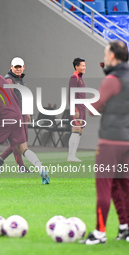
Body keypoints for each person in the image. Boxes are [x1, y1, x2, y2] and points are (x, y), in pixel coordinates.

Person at [82, 41, 129, 245]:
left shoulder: (112, 79)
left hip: (110, 142)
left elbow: (95, 108)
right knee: (123, 185)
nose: (104, 57)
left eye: (105, 53)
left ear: (112, 56)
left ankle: (100, 233)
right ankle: (125, 228)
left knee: (104, 187)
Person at [0, 56, 50, 185]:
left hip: (3, 117)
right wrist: (21, 114)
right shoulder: (0, 78)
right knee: (23, 148)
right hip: (17, 115)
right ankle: (41, 169)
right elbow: (14, 97)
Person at [0, 57, 32, 173]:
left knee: (22, 140)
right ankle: (20, 166)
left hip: (22, 114)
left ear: (23, 67)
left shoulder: (20, 79)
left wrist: (28, 113)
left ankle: (0, 158)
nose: (18, 69)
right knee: (19, 141)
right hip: (15, 115)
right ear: (11, 67)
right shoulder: (9, 80)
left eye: (19, 67)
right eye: (15, 67)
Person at [67, 58, 86, 162]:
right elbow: (71, 94)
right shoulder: (74, 77)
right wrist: (74, 109)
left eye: (85, 65)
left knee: (80, 131)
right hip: (77, 109)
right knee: (76, 131)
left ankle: (73, 155)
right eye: (82, 66)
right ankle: (70, 156)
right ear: (76, 67)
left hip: (83, 109)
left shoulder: (80, 78)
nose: (84, 67)